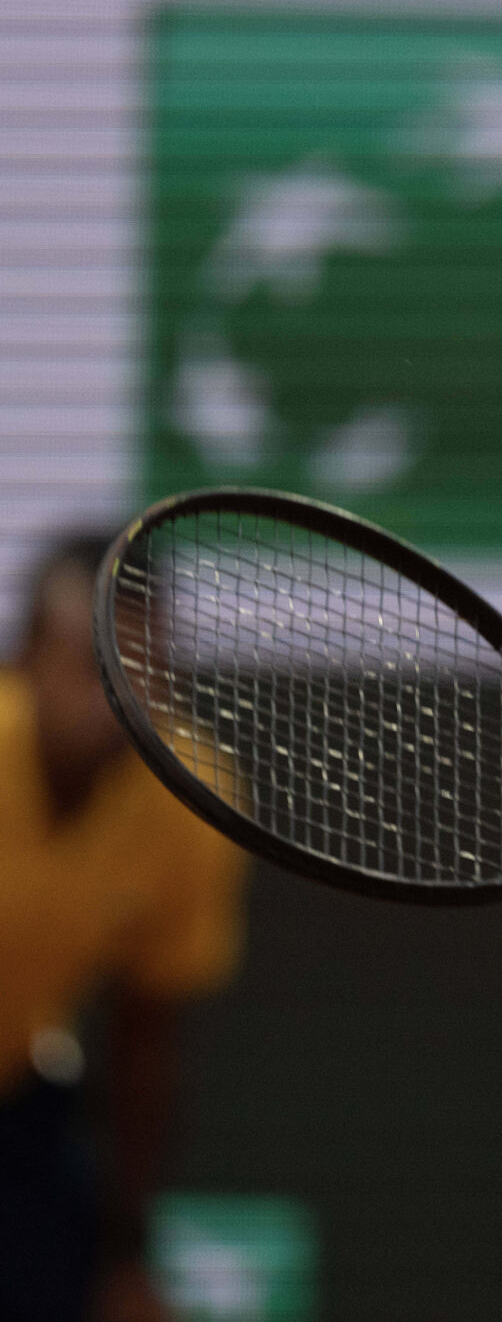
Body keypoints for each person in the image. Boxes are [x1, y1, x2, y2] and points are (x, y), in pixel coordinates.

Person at [0, 532, 248, 1322]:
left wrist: (129, 1253)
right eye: (92, 666)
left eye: (143, 672)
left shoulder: (189, 799)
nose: (118, 700)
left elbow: (147, 1029)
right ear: (27, 661)